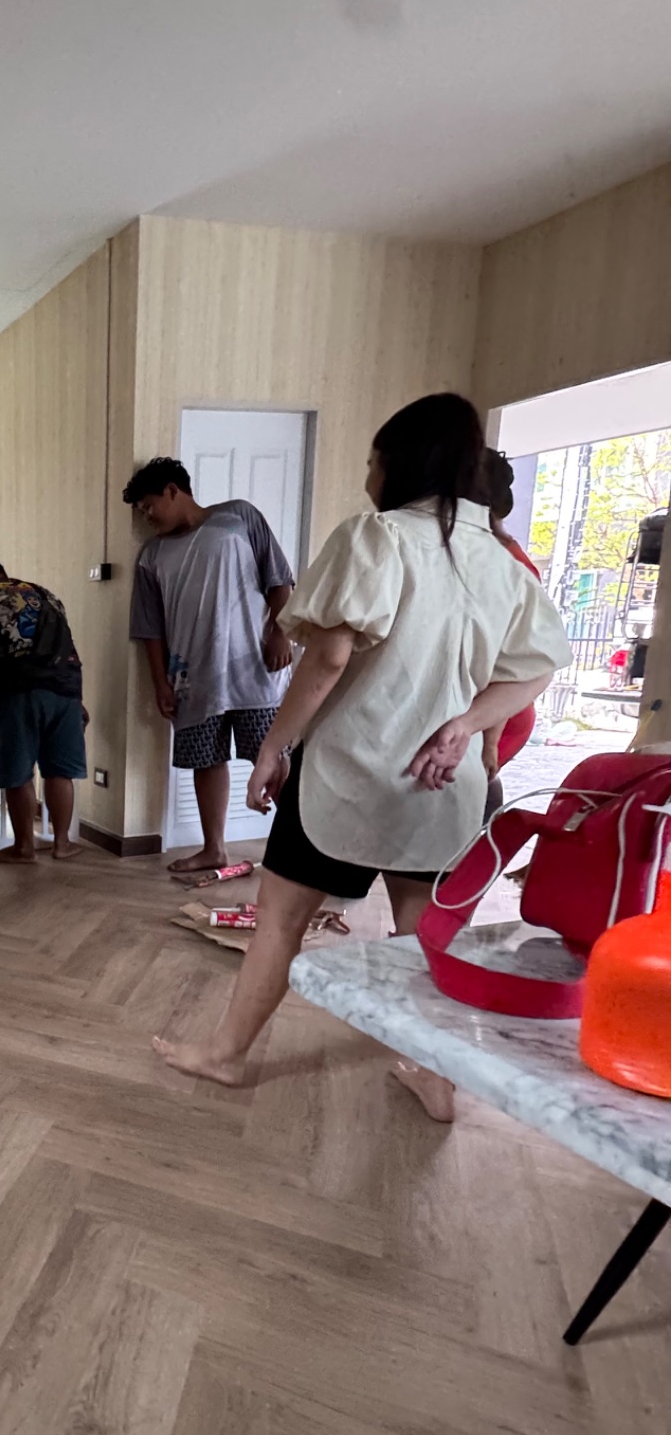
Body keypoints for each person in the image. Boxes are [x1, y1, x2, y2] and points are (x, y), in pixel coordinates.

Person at [155, 393, 571, 1121]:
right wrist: (465, 725)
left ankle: (225, 1055)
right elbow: (536, 670)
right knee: (421, 936)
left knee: (280, 920)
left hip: (347, 773)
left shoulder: (377, 537)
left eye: (374, 461)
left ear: (405, 463)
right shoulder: (503, 563)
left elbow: (327, 659)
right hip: (441, 785)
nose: (368, 475)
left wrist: (274, 746)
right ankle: (434, 1078)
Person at [125, 459, 296, 873]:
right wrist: (160, 683)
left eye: (148, 506)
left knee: (274, 755)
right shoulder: (151, 556)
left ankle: (296, 851)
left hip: (255, 669)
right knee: (206, 760)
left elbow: (280, 580)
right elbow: (149, 628)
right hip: (192, 676)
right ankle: (214, 848)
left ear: (172, 490)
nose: (146, 517)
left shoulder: (239, 517)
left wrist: (280, 633)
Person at [0, 556, 87, 862]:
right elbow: (67, 648)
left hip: (16, 692)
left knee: (17, 772)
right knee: (60, 771)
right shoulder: (45, 594)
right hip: (65, 692)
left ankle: (24, 847)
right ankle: (62, 844)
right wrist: (76, 701)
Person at [478, 449, 545, 814]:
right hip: (490, 712)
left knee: (470, 790)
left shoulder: (506, 565)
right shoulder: (491, 553)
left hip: (499, 713)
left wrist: (490, 740)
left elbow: (508, 662)